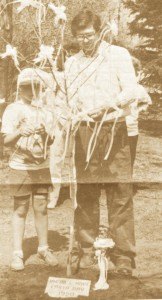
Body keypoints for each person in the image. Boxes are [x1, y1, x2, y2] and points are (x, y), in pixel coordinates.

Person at [55, 9, 151, 276]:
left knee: (120, 194)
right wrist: (66, 117)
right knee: (85, 193)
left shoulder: (117, 55)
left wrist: (106, 107)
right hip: (84, 133)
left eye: (88, 36)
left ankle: (124, 257)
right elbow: (66, 99)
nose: (84, 41)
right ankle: (86, 251)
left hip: (115, 130)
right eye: (79, 36)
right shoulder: (72, 62)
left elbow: (131, 90)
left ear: (99, 32)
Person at [1, 68, 58, 271]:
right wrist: (19, 131)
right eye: (27, 88)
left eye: (37, 88)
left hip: (41, 166)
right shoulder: (13, 109)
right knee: (20, 208)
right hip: (21, 166)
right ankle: (18, 252)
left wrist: (44, 134)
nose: (32, 92)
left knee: (41, 207)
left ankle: (43, 248)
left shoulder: (46, 112)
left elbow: (50, 142)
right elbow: (6, 141)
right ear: (20, 88)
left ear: (42, 89)